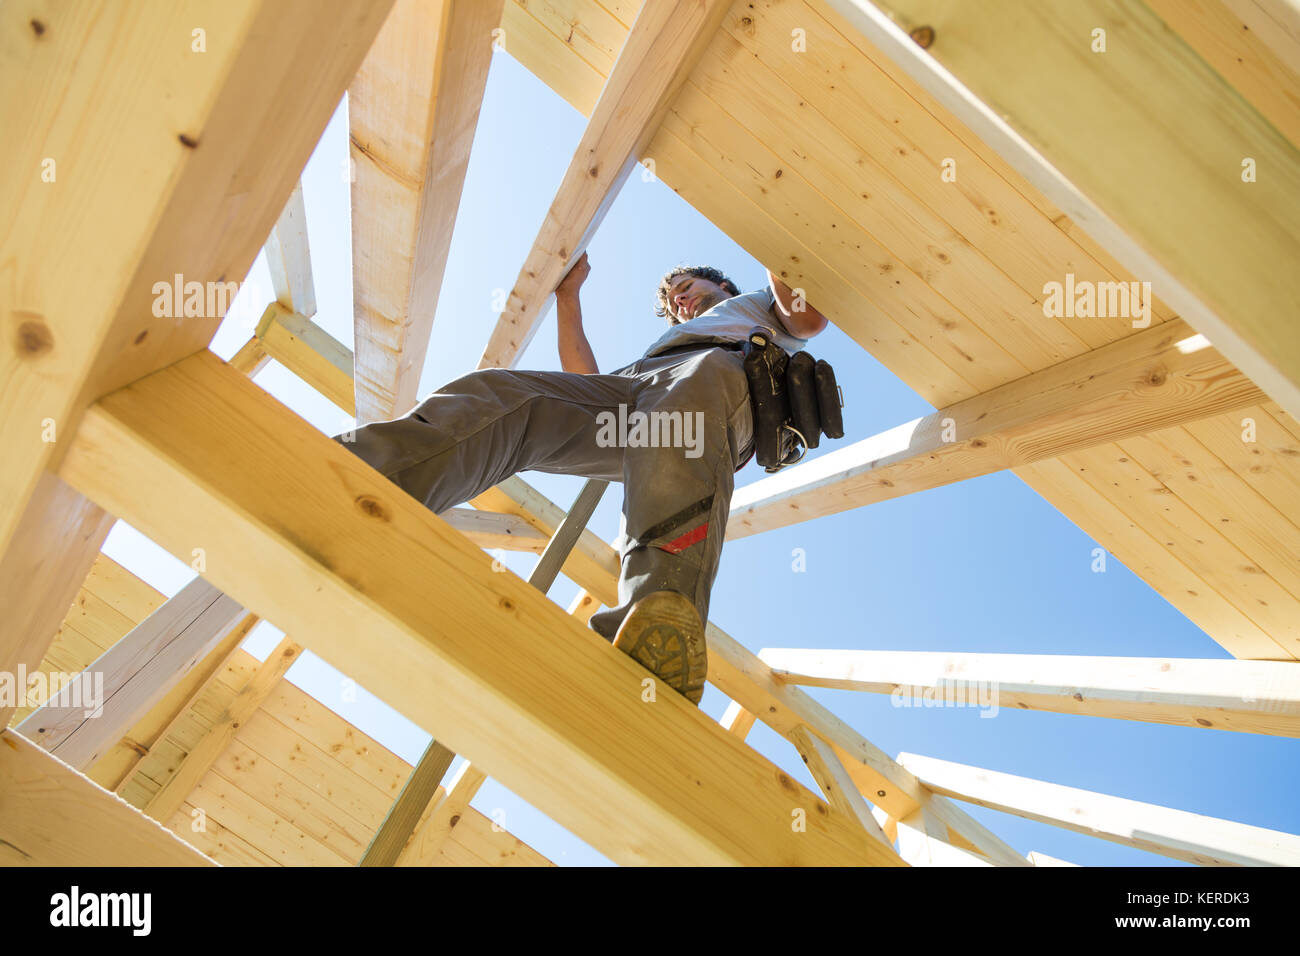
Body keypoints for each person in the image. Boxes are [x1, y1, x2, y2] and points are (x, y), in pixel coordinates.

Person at [336, 255, 827, 705]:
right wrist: (568, 298)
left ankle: (656, 625)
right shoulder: (667, 343)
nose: (679, 298)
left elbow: (806, 318)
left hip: (719, 381)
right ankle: (377, 472)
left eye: (687, 284)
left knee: (675, 430)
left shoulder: (754, 308)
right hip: (640, 390)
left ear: (720, 283)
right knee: (508, 396)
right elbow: (583, 378)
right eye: (673, 299)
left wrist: (776, 248)